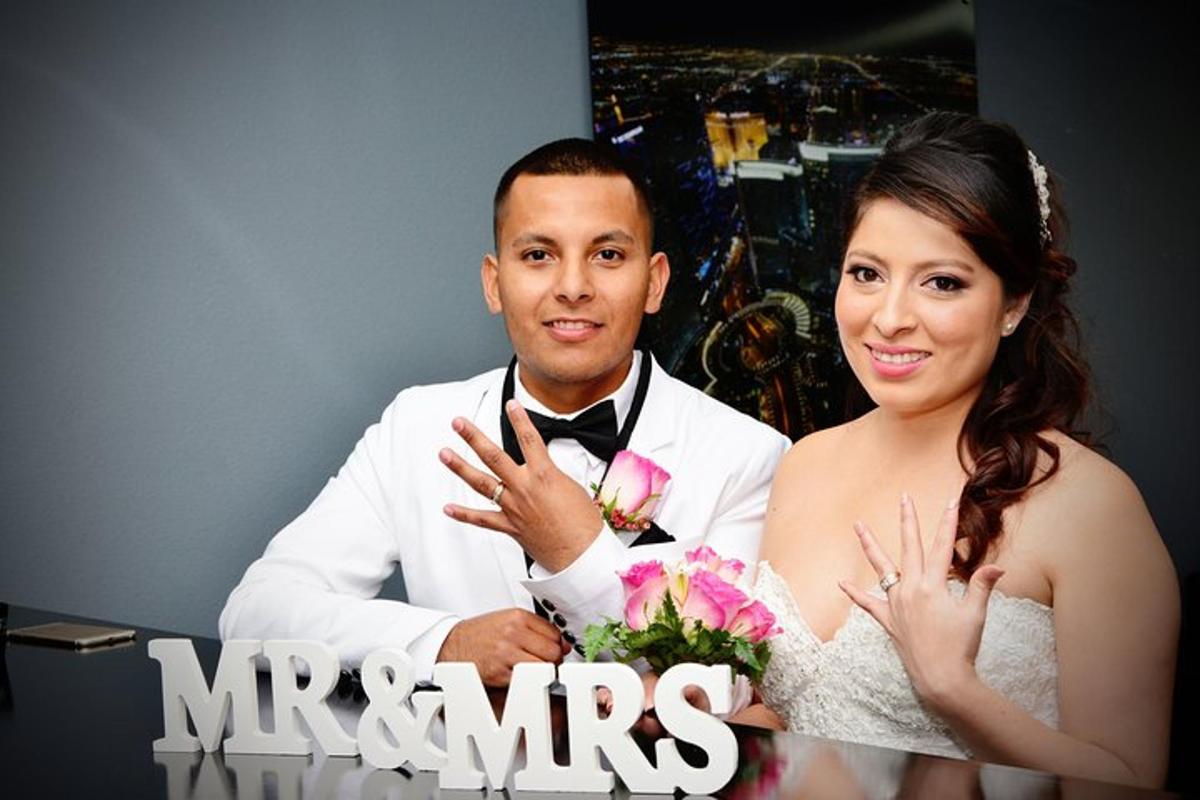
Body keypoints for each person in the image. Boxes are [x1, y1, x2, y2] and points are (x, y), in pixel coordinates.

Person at [219, 138, 789, 687]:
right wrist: (445, 643)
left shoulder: (749, 456)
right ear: (495, 283)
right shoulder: (415, 427)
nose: (572, 287)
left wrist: (577, 553)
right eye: (538, 255)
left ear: (654, 283)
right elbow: (255, 614)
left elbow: (726, 685)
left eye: (608, 255)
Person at [748, 112, 1178, 788]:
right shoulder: (803, 463)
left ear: (1014, 303)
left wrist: (952, 687)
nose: (888, 317)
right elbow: (790, 722)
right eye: (866, 273)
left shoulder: (1091, 507)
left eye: (941, 282)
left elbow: (1129, 785)